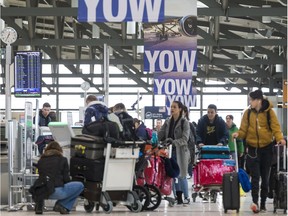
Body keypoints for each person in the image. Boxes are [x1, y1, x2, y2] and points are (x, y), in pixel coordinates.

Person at [232, 89, 286, 213]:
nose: (250, 102)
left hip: (267, 148)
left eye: (251, 100)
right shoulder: (248, 113)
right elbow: (243, 130)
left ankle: (263, 204)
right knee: (255, 177)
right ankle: (255, 202)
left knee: (265, 177)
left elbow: (275, 128)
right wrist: (238, 134)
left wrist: (280, 139)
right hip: (252, 149)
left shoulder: (269, 112)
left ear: (258, 100)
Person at [35, 141, 84, 214]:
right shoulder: (63, 159)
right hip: (56, 191)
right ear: (59, 150)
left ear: (47, 149)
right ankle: (61, 205)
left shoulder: (41, 160)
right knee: (80, 186)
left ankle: (39, 204)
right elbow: (66, 179)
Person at [158, 101, 190, 205]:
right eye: (171, 107)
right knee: (174, 175)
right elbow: (161, 134)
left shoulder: (184, 122)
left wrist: (173, 142)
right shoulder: (167, 121)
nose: (172, 109)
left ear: (180, 109)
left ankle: (186, 197)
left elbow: (185, 139)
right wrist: (154, 138)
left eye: (174, 107)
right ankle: (178, 197)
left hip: (181, 152)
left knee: (182, 175)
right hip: (170, 151)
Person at [183, 105, 196, 179]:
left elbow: (194, 137)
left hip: (188, 148)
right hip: (182, 149)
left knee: (188, 168)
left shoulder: (190, 124)